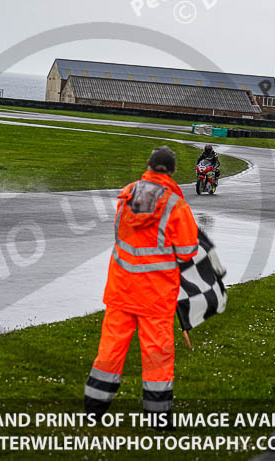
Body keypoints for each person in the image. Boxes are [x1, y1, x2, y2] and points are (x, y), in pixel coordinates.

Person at [84, 146, 199, 429]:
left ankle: (93, 411)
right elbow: (187, 250)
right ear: (171, 171)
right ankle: (158, 420)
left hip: (121, 289)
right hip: (156, 296)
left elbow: (120, 234)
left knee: (109, 352)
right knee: (157, 357)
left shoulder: (127, 194)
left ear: (149, 165)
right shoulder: (175, 204)